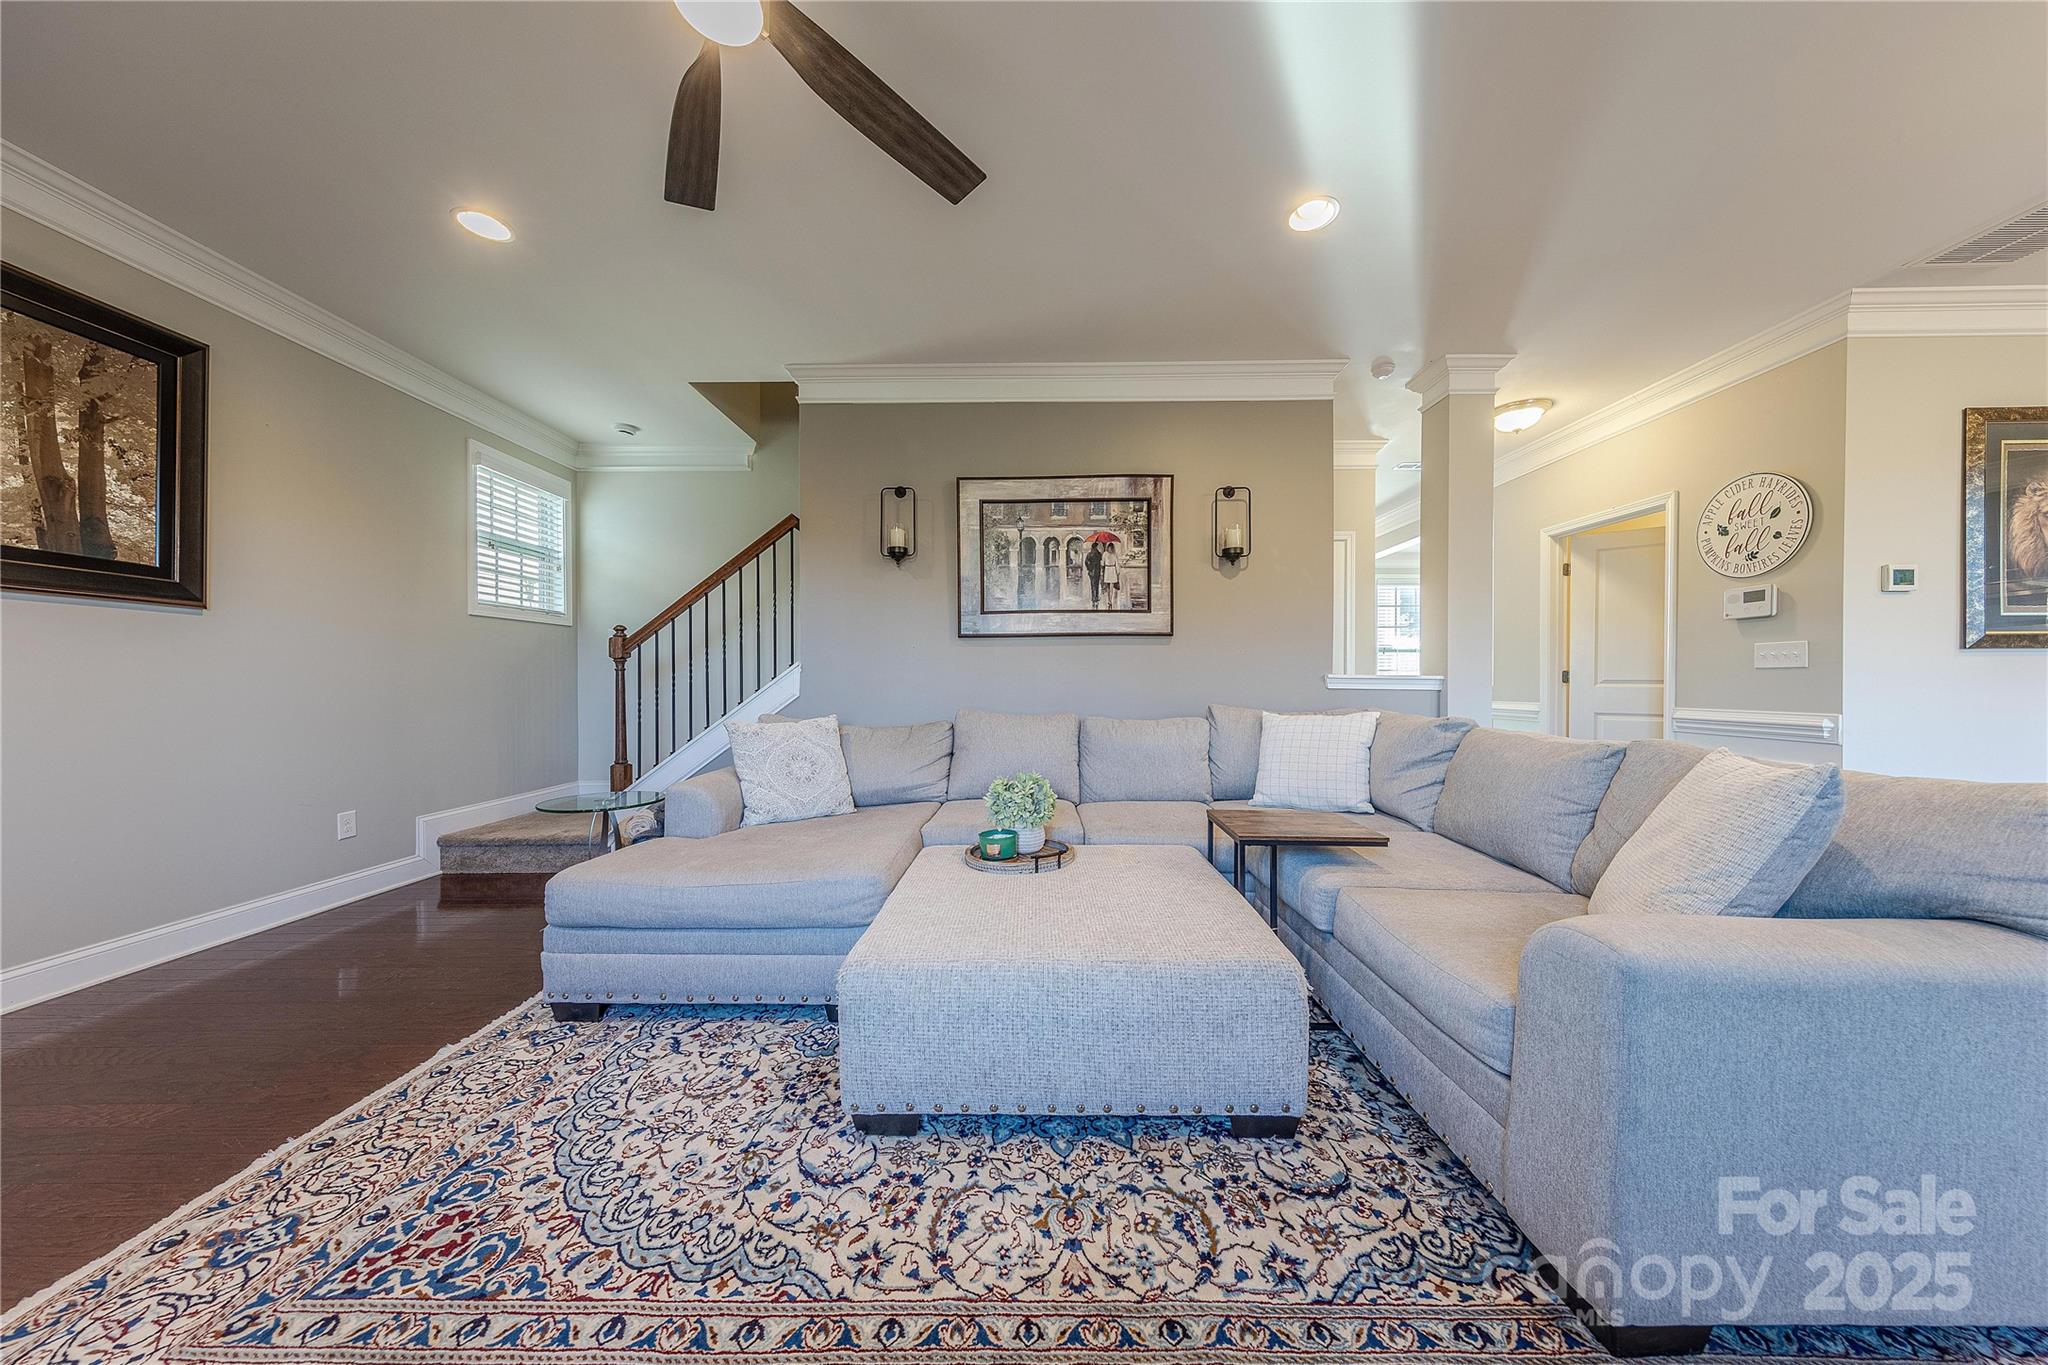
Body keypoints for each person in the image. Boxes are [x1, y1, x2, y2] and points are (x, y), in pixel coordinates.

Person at [1085, 542, 1104, 607]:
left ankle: (1094, 598)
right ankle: (1095, 598)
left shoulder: (1089, 554)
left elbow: (1086, 562)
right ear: (1095, 547)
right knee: (1096, 585)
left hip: (1092, 572)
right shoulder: (1098, 554)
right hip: (1097, 571)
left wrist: (1089, 569)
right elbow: (1101, 559)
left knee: (1093, 585)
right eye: (1096, 547)